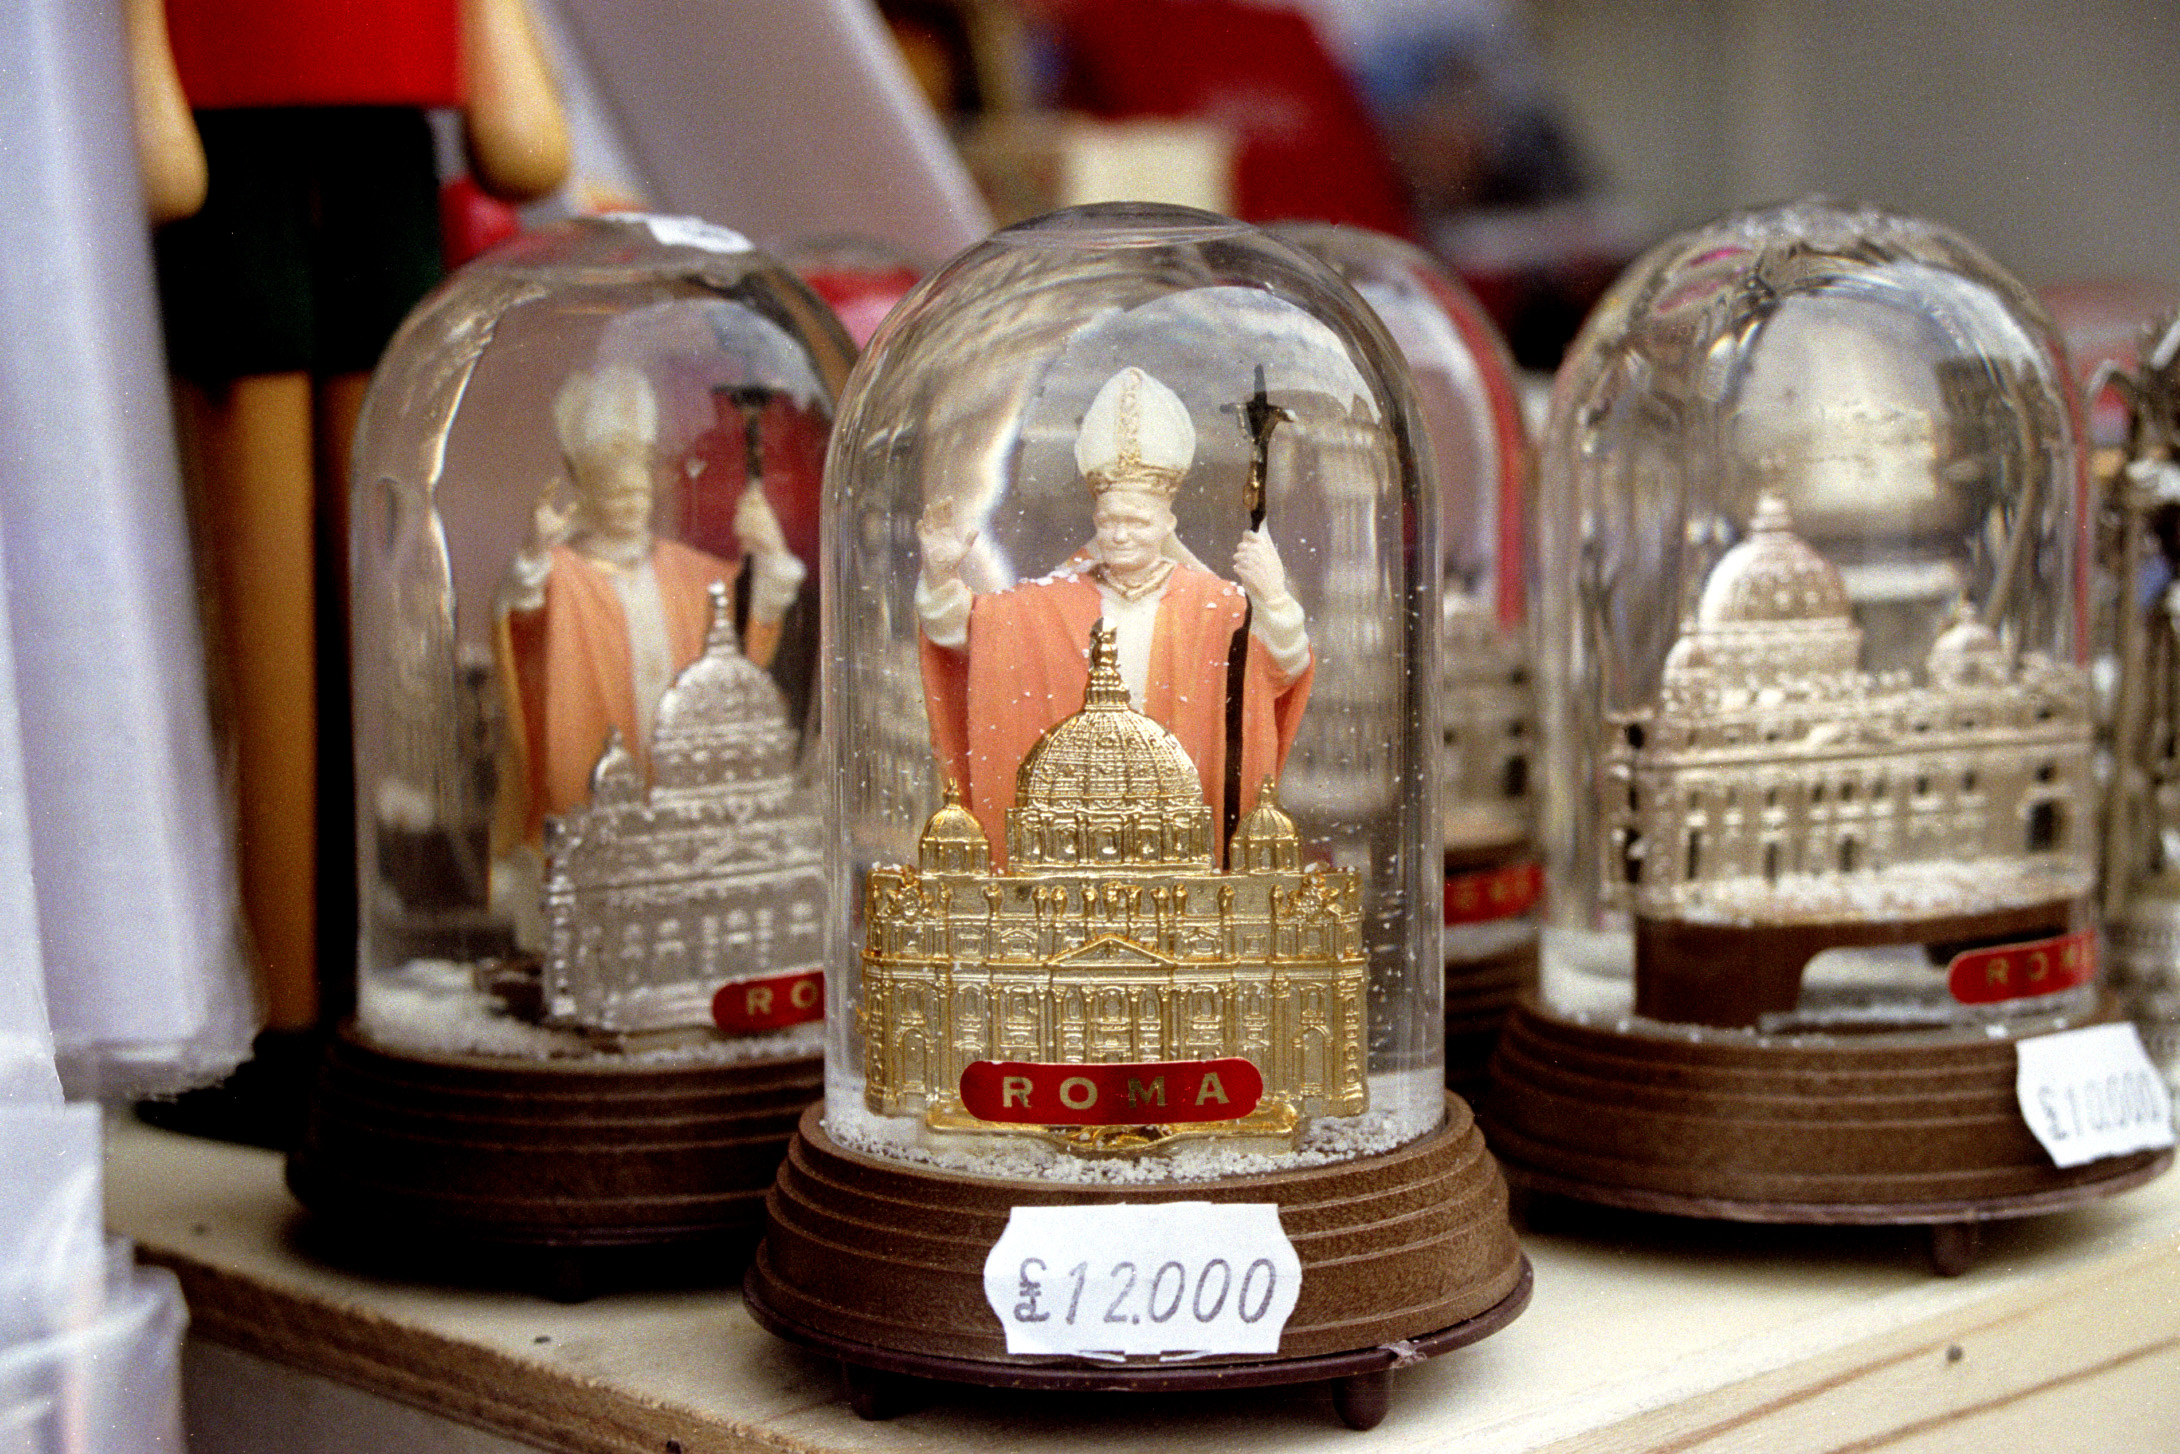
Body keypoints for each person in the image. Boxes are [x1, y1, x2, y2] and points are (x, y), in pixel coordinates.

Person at [916, 365, 1312, 862]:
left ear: (1167, 523)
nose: (1121, 535)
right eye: (1109, 521)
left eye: (1137, 522)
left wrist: (1272, 598)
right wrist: (940, 578)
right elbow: (970, 632)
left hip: (1180, 842)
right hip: (1072, 842)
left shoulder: (1218, 609)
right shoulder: (1048, 605)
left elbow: (1284, 664)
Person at [494, 364, 804, 847]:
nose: (630, 503)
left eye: (637, 490)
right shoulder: (561, 572)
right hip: (594, 798)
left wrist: (768, 547)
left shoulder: (685, 571)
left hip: (685, 811)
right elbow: (524, 630)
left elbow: (746, 630)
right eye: (614, 492)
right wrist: (535, 551)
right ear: (586, 489)